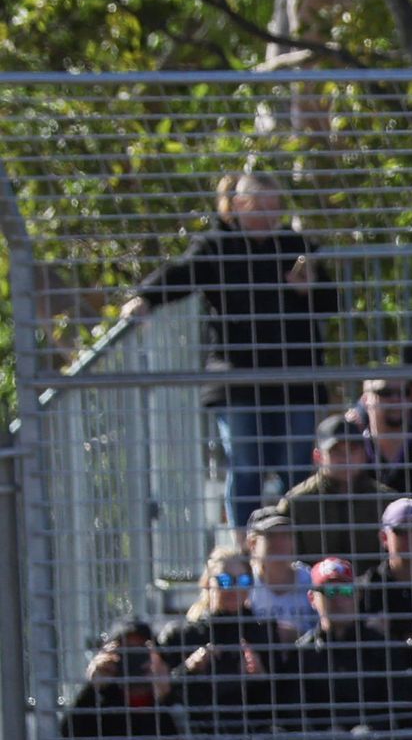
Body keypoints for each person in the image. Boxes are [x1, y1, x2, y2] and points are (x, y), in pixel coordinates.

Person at [122, 168, 338, 511]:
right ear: (237, 206)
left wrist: (309, 288)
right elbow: (181, 274)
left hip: (295, 374)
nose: (270, 216)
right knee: (246, 465)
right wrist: (145, 297)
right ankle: (245, 545)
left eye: (275, 207)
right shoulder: (215, 247)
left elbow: (330, 303)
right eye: (260, 207)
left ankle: (297, 539)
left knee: (297, 466)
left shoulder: (295, 246)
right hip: (237, 375)